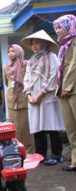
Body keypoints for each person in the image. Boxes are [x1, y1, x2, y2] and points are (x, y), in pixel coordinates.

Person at [21, 30, 65, 166]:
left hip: (47, 96)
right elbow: (26, 79)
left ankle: (57, 155)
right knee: (37, 127)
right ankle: (40, 156)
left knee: (51, 125)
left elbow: (53, 77)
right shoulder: (31, 61)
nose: (34, 46)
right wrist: (28, 95)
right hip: (33, 97)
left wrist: (41, 94)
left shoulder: (52, 57)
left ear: (44, 43)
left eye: (37, 43)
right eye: (33, 43)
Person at [53, 15, 76, 171]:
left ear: (69, 26)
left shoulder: (74, 42)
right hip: (63, 91)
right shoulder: (62, 46)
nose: (58, 31)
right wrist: (61, 88)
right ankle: (75, 160)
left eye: (60, 27)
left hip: (73, 89)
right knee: (71, 129)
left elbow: (75, 65)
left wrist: (67, 86)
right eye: (56, 28)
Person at [3, 44, 34, 153]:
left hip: (24, 100)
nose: (10, 53)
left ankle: (29, 151)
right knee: (14, 128)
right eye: (9, 51)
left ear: (19, 52)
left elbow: (30, 80)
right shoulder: (6, 67)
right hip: (12, 101)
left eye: (13, 51)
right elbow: (7, 83)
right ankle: (17, 151)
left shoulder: (26, 64)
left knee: (26, 127)